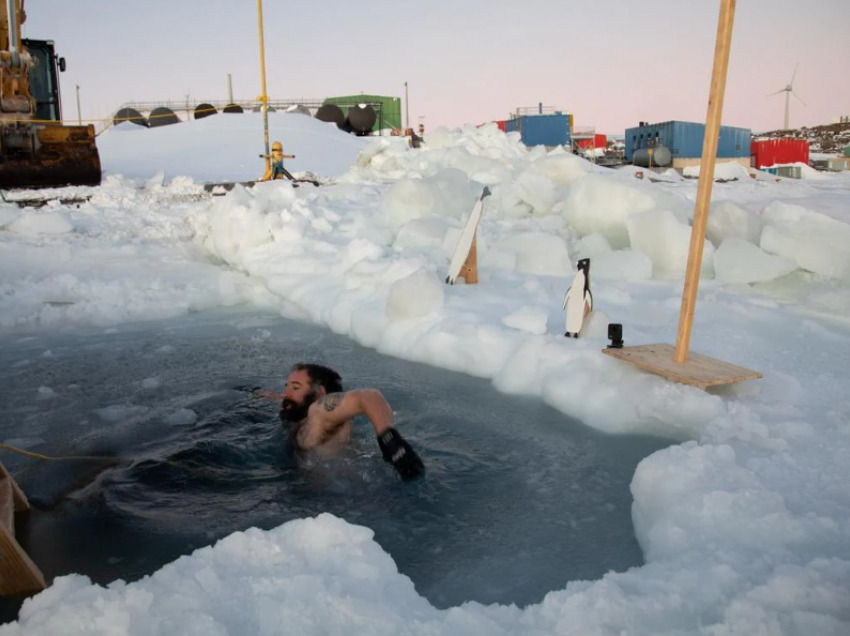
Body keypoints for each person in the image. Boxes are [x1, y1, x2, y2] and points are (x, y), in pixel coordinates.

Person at [252, 363, 424, 482]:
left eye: (295, 387)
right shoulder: (303, 411)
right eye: (286, 386)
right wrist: (255, 392)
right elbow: (282, 398)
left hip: (334, 504)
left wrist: (390, 440)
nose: (286, 393)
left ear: (320, 393)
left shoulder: (318, 413)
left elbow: (369, 396)